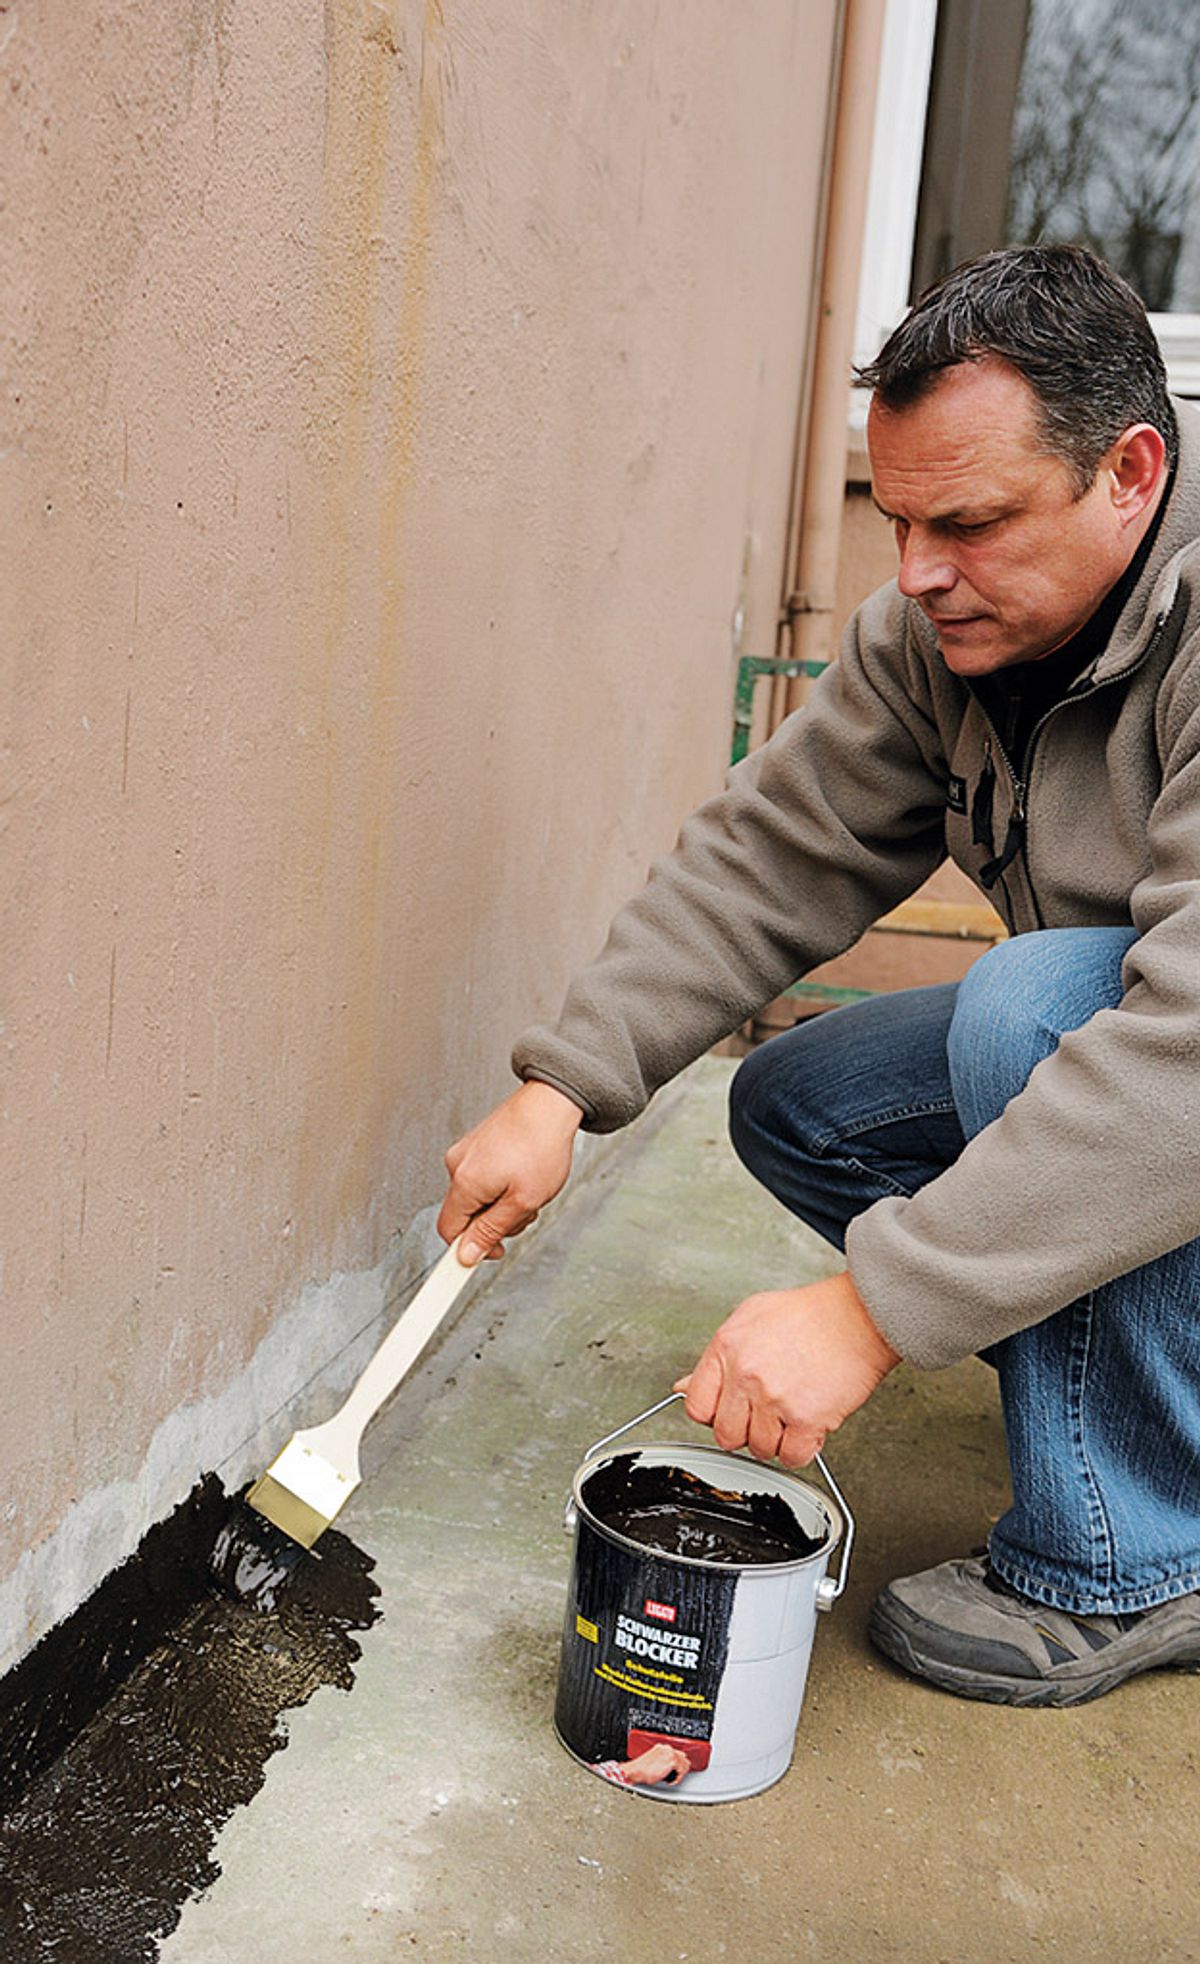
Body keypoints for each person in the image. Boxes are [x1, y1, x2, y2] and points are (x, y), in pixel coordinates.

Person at [438, 245, 1200, 1707]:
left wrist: (872, 1309)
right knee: (805, 1101)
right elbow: (773, 852)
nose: (915, 574)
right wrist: (563, 1086)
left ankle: (1130, 1556)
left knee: (1032, 1009)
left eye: (966, 523)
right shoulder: (947, 634)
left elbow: (1182, 1054)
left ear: (1131, 469)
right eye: (901, 519)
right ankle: (1116, 1389)